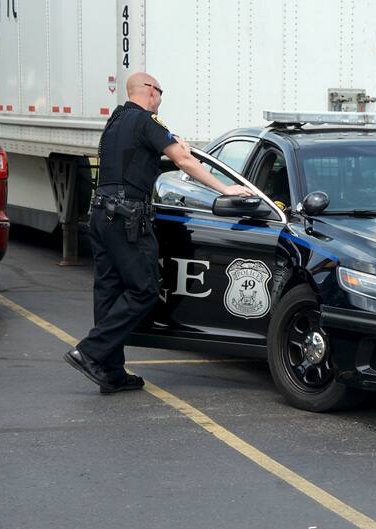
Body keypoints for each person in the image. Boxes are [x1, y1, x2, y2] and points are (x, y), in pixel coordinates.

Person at [64, 72, 251, 394]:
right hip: (127, 218)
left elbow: (139, 164)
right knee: (144, 290)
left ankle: (110, 372)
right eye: (160, 93)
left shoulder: (116, 122)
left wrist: (171, 151)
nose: (161, 98)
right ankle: (91, 351)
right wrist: (225, 188)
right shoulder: (148, 121)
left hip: (101, 215)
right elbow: (184, 162)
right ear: (150, 91)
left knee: (109, 291)